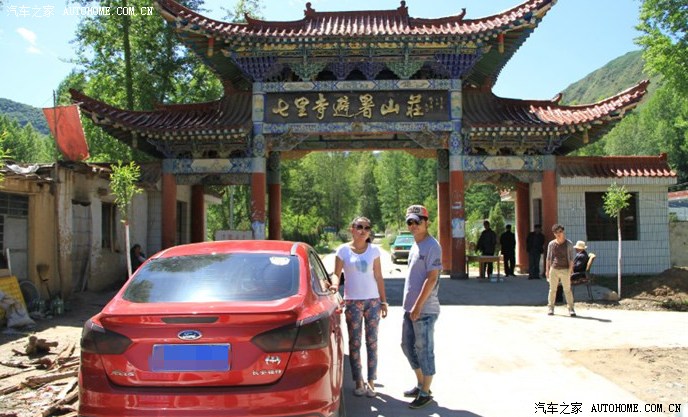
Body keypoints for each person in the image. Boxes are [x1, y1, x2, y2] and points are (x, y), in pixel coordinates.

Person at [330, 217, 388, 398]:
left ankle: (371, 380)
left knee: (372, 342)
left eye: (367, 228)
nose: (363, 230)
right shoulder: (343, 251)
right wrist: (333, 286)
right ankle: (358, 381)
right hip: (353, 302)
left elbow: (378, 277)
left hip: (372, 301)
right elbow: (336, 274)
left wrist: (383, 301)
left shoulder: (374, 251)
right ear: (352, 229)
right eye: (359, 227)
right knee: (354, 343)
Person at [400, 205, 442, 409]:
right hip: (410, 308)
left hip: (424, 309)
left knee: (424, 350)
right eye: (410, 222)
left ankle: (426, 392)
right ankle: (420, 383)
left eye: (417, 221)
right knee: (407, 346)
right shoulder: (415, 245)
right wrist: (411, 306)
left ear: (427, 222)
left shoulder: (432, 245)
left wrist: (418, 306)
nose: (413, 225)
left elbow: (432, 278)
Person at [545, 224, 576, 317]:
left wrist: (570, 270)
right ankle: (551, 308)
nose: (558, 234)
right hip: (554, 269)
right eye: (556, 232)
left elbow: (571, 259)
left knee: (567, 290)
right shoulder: (551, 244)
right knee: (552, 290)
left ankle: (571, 309)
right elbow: (549, 258)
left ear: (563, 232)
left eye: (560, 232)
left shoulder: (569, 244)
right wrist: (547, 270)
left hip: (565, 269)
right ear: (554, 234)